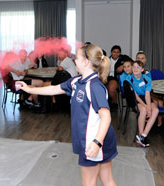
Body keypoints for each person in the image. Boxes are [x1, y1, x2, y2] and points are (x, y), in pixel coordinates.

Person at [17, 43, 117, 186]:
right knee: (106, 179)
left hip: (94, 140)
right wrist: (30, 90)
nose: (74, 60)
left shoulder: (94, 86)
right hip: (98, 139)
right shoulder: (77, 81)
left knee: (89, 182)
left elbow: (106, 116)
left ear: (86, 62)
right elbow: (54, 89)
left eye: (77, 57)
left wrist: (96, 143)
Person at [127, 61, 159, 147]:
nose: (135, 69)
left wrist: (149, 106)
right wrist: (146, 107)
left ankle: (143, 135)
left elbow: (147, 94)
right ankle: (141, 133)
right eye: (134, 67)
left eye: (138, 67)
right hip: (136, 99)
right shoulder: (129, 79)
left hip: (145, 97)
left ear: (142, 69)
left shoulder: (147, 79)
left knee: (155, 110)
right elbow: (136, 96)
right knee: (144, 110)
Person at [107, 45, 132, 110]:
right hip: (106, 77)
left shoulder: (124, 58)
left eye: (118, 52)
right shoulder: (107, 59)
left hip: (117, 78)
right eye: (114, 52)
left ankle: (115, 103)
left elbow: (132, 63)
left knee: (111, 87)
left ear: (120, 53)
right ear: (111, 52)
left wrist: (123, 66)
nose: (116, 53)